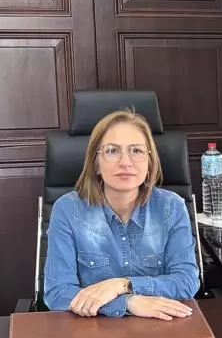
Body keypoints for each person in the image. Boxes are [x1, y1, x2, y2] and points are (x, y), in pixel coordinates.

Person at [44, 109, 199, 319]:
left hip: (160, 328)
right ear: (96, 163)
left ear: (149, 162)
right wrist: (128, 302)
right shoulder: (68, 210)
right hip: (90, 330)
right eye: (112, 151)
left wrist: (122, 285)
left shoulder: (171, 207)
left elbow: (186, 282)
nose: (125, 162)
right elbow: (57, 293)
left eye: (136, 151)